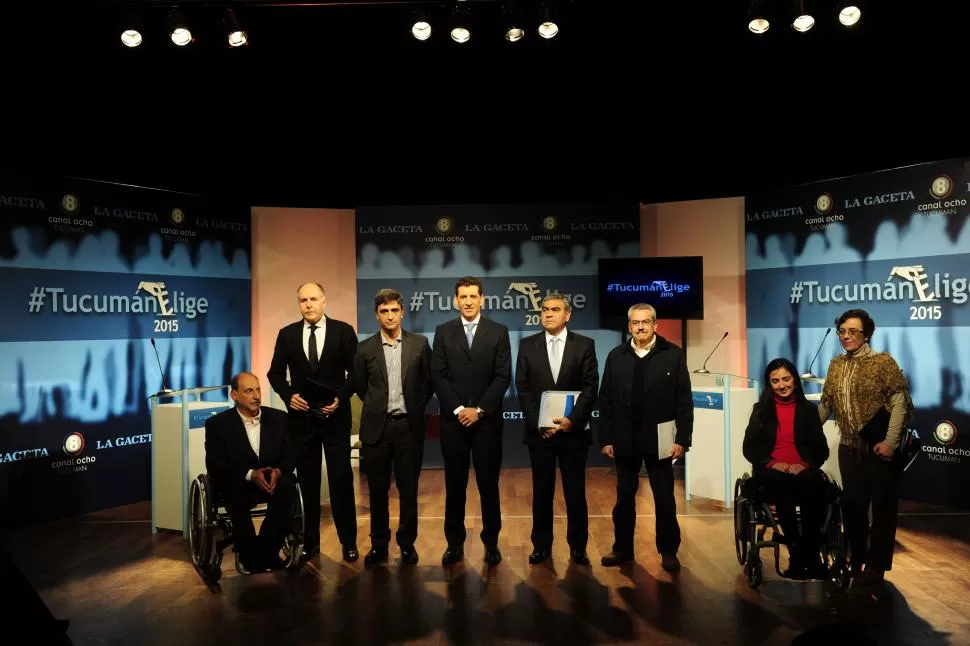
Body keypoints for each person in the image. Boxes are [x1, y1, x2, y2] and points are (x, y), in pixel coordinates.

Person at [817, 308, 912, 586]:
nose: (846, 337)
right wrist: (804, 432)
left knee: (882, 508)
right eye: (842, 331)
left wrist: (890, 443)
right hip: (848, 448)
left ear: (866, 334)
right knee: (853, 507)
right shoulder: (836, 365)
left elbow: (899, 404)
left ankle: (876, 567)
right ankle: (855, 558)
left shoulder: (883, 363)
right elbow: (827, 405)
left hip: (879, 448)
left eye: (853, 331)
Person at [596, 303, 693, 572]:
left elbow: (684, 401)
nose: (640, 327)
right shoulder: (616, 356)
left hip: (661, 440)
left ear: (655, 325)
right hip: (625, 439)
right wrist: (606, 438)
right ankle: (622, 550)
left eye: (645, 322)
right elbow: (605, 401)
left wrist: (682, 439)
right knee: (624, 499)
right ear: (629, 326)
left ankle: (669, 552)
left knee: (664, 499)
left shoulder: (673, 355)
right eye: (635, 323)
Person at [267, 282, 359, 562]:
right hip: (302, 420)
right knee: (306, 482)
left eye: (313, 299)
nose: (308, 304)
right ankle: (310, 543)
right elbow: (275, 374)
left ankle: (348, 542)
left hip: (335, 418)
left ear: (324, 301)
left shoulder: (343, 331)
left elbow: (356, 374)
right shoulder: (287, 335)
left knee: (341, 481)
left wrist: (340, 400)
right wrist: (288, 396)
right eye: (303, 300)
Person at [431, 276, 512, 566]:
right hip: (453, 424)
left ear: (482, 299)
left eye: (472, 296)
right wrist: (457, 409)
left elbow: (504, 376)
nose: (467, 301)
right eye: (462, 297)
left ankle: (491, 543)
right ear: (455, 300)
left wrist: (478, 410)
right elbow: (437, 375)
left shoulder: (498, 331)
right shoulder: (442, 332)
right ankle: (454, 543)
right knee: (454, 486)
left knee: (488, 486)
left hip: (486, 423)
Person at [515, 293, 599, 566]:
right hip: (540, 434)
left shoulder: (585, 345)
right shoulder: (527, 345)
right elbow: (523, 387)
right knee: (542, 493)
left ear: (568, 315)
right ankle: (541, 547)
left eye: (555, 309)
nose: (548, 314)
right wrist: (538, 422)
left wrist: (571, 420)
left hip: (573, 433)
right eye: (545, 309)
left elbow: (590, 387)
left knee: (575, 493)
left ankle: (578, 548)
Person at [353, 289, 433, 566]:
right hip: (377, 429)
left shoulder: (420, 344)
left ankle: (407, 544)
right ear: (377, 314)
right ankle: (379, 544)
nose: (389, 316)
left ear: (402, 312)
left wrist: (413, 406)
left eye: (393, 310)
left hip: (408, 428)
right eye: (383, 311)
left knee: (408, 490)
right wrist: (379, 407)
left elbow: (428, 383)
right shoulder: (363, 349)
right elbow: (361, 387)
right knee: (376, 491)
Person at [742, 358, 829, 579]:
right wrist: (773, 463)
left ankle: (811, 555)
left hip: (802, 470)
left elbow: (821, 449)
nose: (782, 385)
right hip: (772, 470)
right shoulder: (760, 410)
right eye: (775, 381)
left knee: (812, 483)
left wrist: (804, 464)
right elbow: (749, 448)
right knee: (780, 484)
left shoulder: (808, 410)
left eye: (786, 379)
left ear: (795, 380)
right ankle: (796, 555)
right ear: (769, 384)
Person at [204, 372, 297, 573]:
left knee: (288, 488)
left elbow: (291, 454)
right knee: (233, 491)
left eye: (258, 390)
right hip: (239, 481)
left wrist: (279, 471)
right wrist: (251, 474)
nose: (256, 396)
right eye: (248, 391)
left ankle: (269, 550)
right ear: (234, 396)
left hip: (272, 480)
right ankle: (250, 555)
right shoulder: (217, 425)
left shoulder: (279, 419)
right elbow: (216, 464)